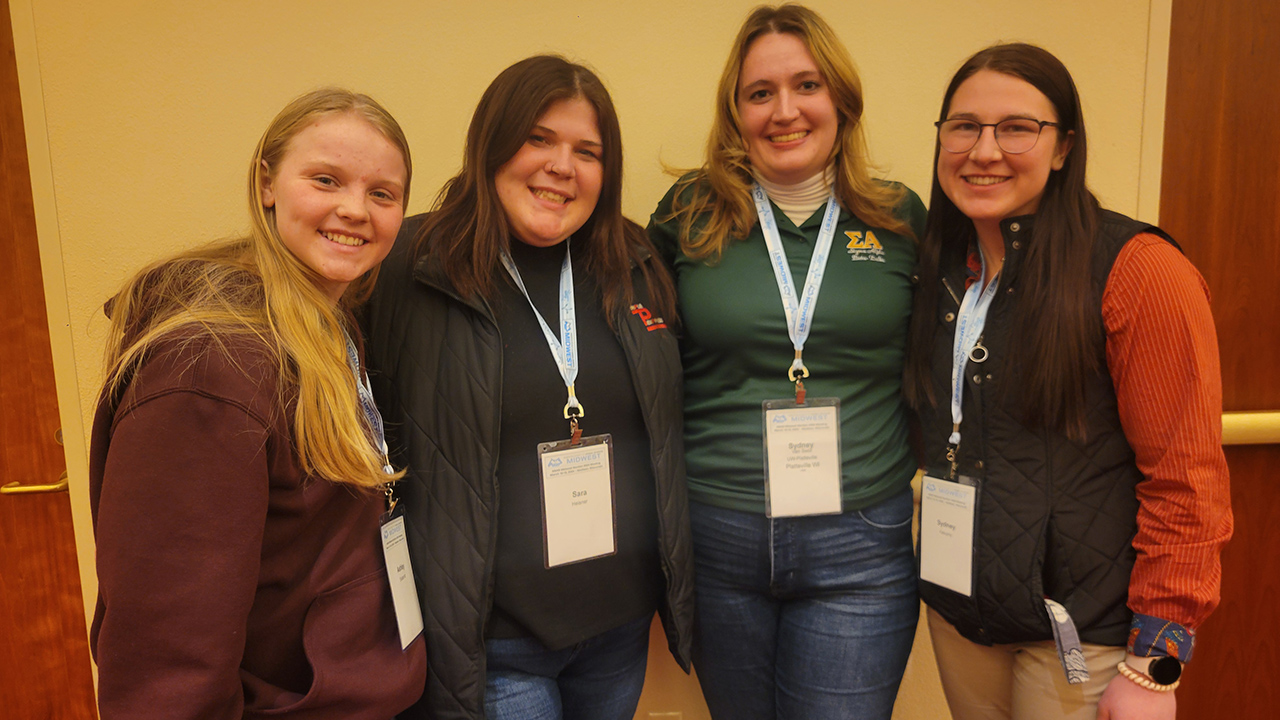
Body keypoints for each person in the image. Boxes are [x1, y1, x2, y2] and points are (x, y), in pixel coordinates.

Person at [904, 42, 1233, 720]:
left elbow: (1187, 480)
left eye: (1017, 128)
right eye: (963, 126)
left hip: (1083, 637)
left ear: (1063, 148)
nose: (983, 150)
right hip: (964, 617)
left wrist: (1154, 667)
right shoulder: (942, 272)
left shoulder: (1138, 271)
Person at [363, 55, 694, 720]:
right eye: (538, 139)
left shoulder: (634, 262)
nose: (561, 166)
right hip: (495, 643)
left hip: (618, 631)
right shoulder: (411, 266)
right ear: (491, 143)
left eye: (587, 150)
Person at [89, 88, 424, 719]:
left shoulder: (327, 321)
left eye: (382, 194)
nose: (355, 210)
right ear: (267, 182)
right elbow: (167, 659)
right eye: (326, 179)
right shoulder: (209, 366)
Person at [647, 5, 924, 718]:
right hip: (719, 535)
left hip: (860, 542)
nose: (785, 111)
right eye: (760, 93)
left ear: (841, 99)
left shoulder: (900, 219)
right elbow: (649, 366)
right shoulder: (687, 215)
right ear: (736, 112)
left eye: (807, 86)